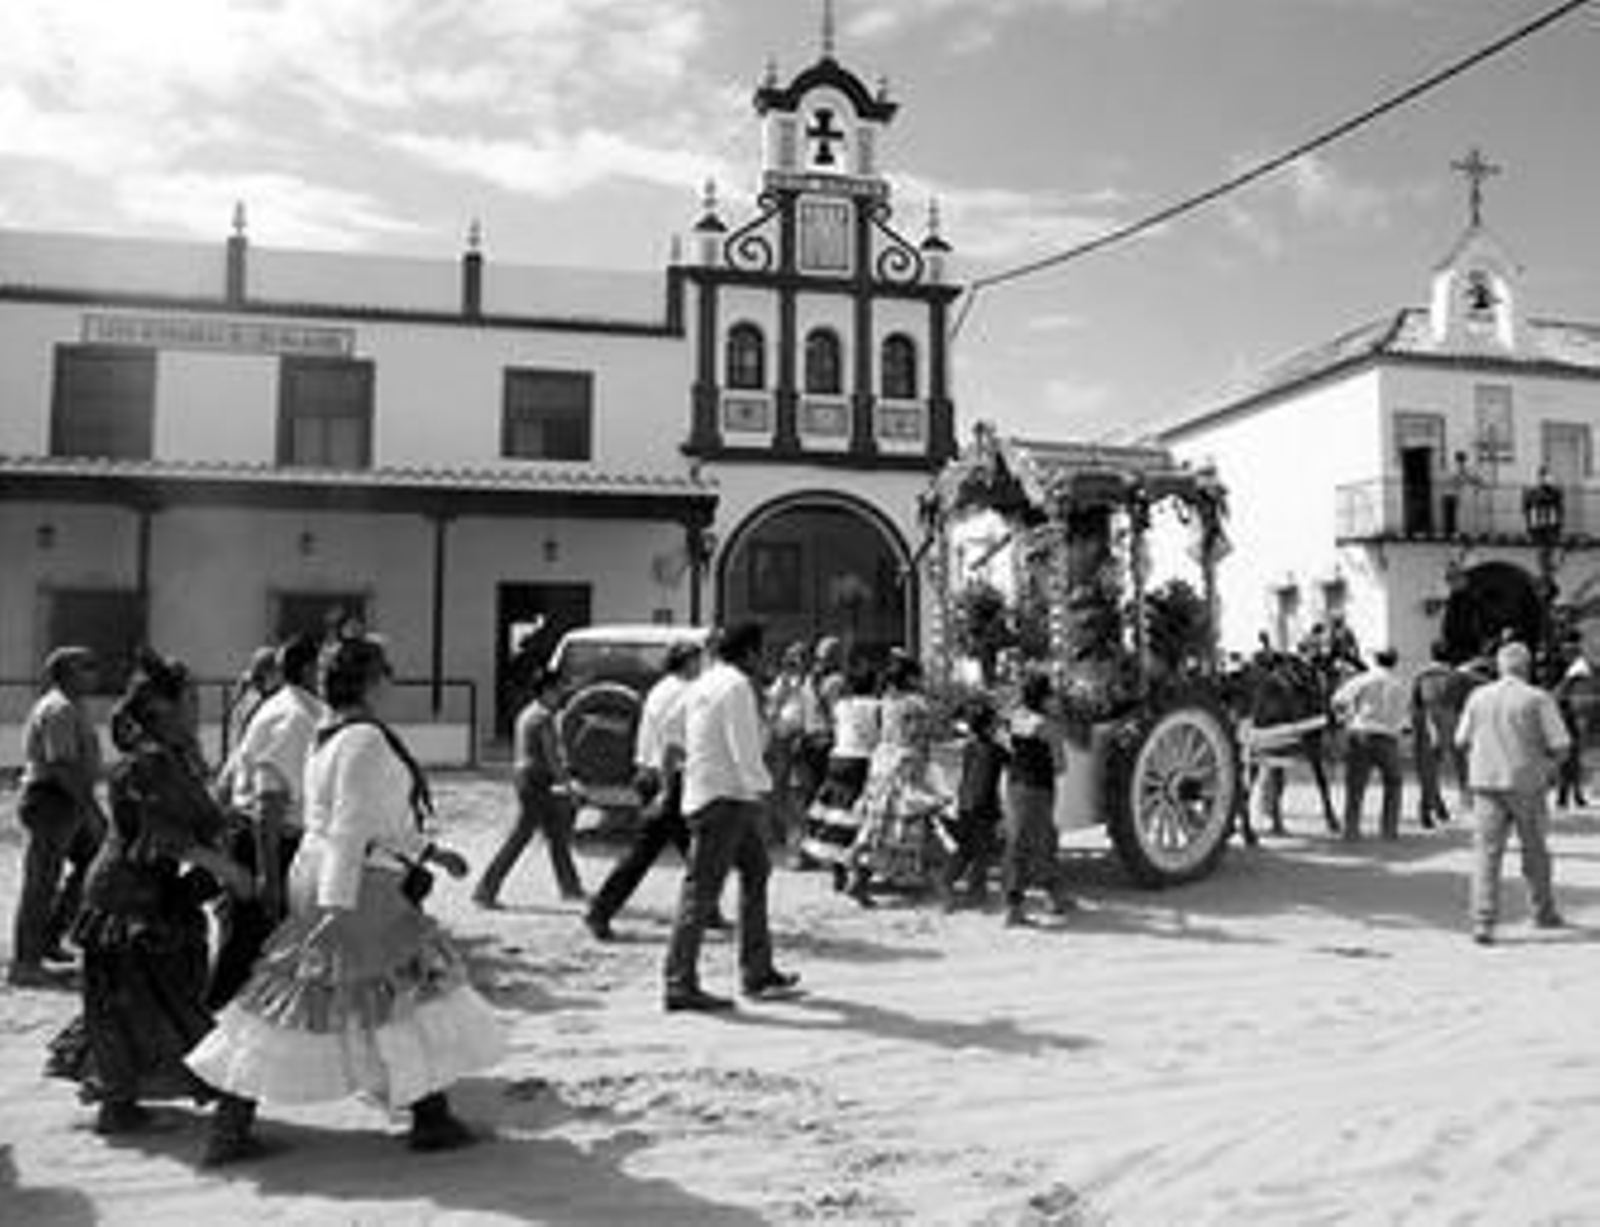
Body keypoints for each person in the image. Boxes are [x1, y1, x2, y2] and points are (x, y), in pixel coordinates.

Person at [187, 633, 503, 1163]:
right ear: (372, 680)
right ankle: (426, 1116)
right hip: (354, 883)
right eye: (388, 671)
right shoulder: (364, 739)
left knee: (354, 992)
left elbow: (364, 818)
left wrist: (430, 853)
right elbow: (353, 824)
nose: (394, 681)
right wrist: (336, 907)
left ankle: (426, 1112)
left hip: (327, 872)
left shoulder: (329, 733)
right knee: (393, 990)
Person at [46, 650, 249, 1134]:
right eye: (192, 698)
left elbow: (189, 821)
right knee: (158, 999)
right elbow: (168, 837)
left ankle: (119, 1105)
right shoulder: (152, 762)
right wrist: (230, 870)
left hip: (141, 892)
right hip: (127, 897)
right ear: (164, 709)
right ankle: (229, 1110)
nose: (199, 707)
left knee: (127, 1001)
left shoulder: (170, 757)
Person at [661, 621, 800, 1013]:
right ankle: (679, 982)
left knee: (755, 871)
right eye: (762, 651)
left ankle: (757, 970)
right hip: (727, 798)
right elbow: (746, 748)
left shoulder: (703, 682)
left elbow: (672, 730)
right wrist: (766, 795)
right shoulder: (737, 686)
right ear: (751, 653)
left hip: (710, 793)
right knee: (701, 893)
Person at [207, 633, 326, 1007]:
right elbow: (269, 803)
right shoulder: (294, 718)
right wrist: (269, 875)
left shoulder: (304, 711)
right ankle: (206, 1030)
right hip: (272, 844)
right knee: (245, 948)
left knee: (263, 950)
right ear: (310, 669)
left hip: (282, 843)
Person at [584, 640, 704, 941]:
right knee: (649, 852)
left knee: (692, 850)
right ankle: (600, 910)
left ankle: (707, 910)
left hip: (650, 774)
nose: (702, 667)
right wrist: (667, 788)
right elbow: (673, 746)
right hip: (668, 778)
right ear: (687, 662)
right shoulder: (685, 691)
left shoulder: (662, 688)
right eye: (698, 660)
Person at [1453, 640, 1569, 945]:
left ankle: (1483, 921)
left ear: (1499, 667)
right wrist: (1548, 767)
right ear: (1527, 667)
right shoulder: (1538, 698)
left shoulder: (1478, 696)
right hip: (1526, 783)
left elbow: (1460, 739)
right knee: (1535, 852)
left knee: (1486, 855)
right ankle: (1542, 912)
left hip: (1485, 783)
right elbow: (1561, 744)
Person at [9, 646, 107, 989]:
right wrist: (90, 808)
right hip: (53, 800)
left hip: (67, 800)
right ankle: (26, 963)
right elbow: (63, 766)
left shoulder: (73, 706)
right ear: (66, 673)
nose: (95, 672)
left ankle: (49, 939)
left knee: (90, 863)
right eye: (87, 667)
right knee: (42, 882)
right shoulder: (60, 709)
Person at [473, 664, 584, 908]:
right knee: (521, 837)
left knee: (556, 836)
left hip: (527, 778)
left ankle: (571, 887)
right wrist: (569, 787)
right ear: (547, 691)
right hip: (537, 781)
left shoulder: (528, 712)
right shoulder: (544, 718)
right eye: (558, 689)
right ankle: (486, 889)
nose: (562, 694)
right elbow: (552, 758)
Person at [846, 652, 950, 904]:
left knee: (878, 827)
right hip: (906, 766)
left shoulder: (886, 701)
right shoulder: (916, 704)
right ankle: (940, 891)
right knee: (920, 824)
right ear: (912, 677)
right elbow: (923, 735)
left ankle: (860, 879)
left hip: (882, 765)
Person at [1001, 672, 1075, 927]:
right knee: (1042, 842)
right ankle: (1030, 904)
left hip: (1014, 785)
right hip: (1039, 789)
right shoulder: (1047, 727)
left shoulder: (1013, 718)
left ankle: (1044, 898)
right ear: (1044, 698)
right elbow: (1061, 766)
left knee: (1019, 843)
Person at [798, 661, 881, 888]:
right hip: (863, 762)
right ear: (874, 684)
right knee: (868, 820)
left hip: (838, 760)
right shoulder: (877, 706)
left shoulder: (842, 706)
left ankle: (838, 872)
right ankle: (861, 879)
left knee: (837, 817)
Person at [1332, 646, 1410, 840]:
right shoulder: (1400, 684)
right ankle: (1389, 830)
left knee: (1356, 785)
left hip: (1361, 733)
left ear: (1376, 659)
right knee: (1394, 783)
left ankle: (1351, 829)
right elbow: (1403, 716)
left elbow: (1338, 699)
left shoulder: (1364, 679)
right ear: (1395, 661)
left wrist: (1346, 717)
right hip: (1388, 737)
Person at [940, 697, 1008, 910]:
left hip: (965, 804)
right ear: (989, 727)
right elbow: (1014, 764)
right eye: (996, 723)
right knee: (982, 852)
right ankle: (976, 893)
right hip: (984, 806)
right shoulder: (996, 750)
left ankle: (946, 882)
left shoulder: (970, 747)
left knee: (965, 849)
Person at [1410, 640, 1477, 830]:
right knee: (1463, 768)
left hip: (1428, 722)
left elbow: (1415, 704)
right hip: (1452, 722)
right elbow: (1466, 704)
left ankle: (1428, 810)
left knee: (1429, 771)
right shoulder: (1457, 676)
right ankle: (1464, 805)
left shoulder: (1421, 676)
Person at [763, 641, 811, 853]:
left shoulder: (810, 682)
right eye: (792, 657)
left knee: (797, 792)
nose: (795, 662)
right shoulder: (780, 683)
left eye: (800, 657)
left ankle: (796, 842)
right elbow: (772, 711)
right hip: (781, 741)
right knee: (781, 791)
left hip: (802, 741)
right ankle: (783, 837)